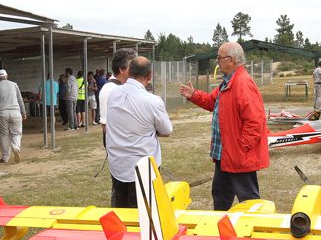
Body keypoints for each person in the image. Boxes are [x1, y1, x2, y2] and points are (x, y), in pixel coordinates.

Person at [179, 41, 269, 211]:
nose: (217, 61)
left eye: (219, 58)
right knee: (220, 194)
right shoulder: (228, 82)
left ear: (232, 60)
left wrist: (242, 146)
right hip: (224, 154)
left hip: (238, 154)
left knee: (248, 200)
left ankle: (253, 233)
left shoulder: (242, 83)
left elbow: (255, 120)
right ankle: (220, 228)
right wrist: (194, 95)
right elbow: (213, 102)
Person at [107, 56, 172, 213]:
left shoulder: (113, 94)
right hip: (143, 169)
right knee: (145, 217)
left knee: (121, 214)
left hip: (118, 166)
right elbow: (166, 130)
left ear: (129, 72)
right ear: (149, 76)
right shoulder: (153, 101)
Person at [99, 48, 136, 144]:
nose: (135, 70)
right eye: (132, 67)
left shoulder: (127, 86)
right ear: (121, 70)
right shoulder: (109, 90)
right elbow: (105, 125)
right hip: (121, 148)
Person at [0, 69, 26, 163]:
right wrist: (23, 112)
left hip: (2, 113)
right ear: (7, 76)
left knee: (4, 135)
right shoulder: (14, 85)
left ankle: (5, 157)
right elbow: (20, 99)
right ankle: (16, 147)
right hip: (15, 112)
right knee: (16, 133)